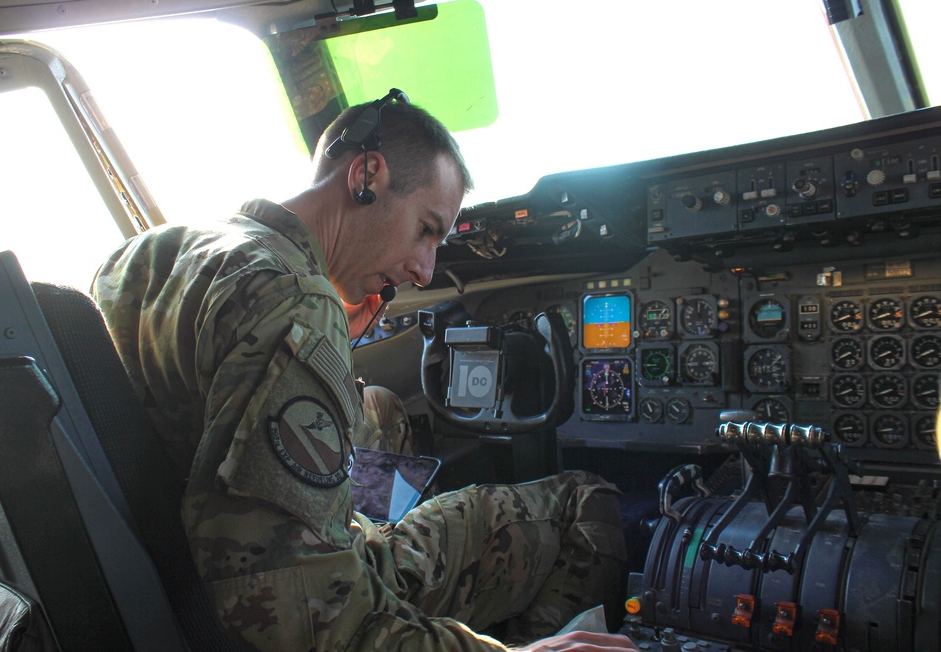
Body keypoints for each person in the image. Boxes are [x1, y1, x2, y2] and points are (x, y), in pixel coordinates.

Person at [91, 95, 636, 651]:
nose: (425, 271)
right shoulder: (292, 301)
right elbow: (307, 619)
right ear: (367, 174)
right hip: (286, 602)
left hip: (170, 573)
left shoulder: (149, 252)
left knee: (379, 404)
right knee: (585, 501)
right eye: (426, 229)